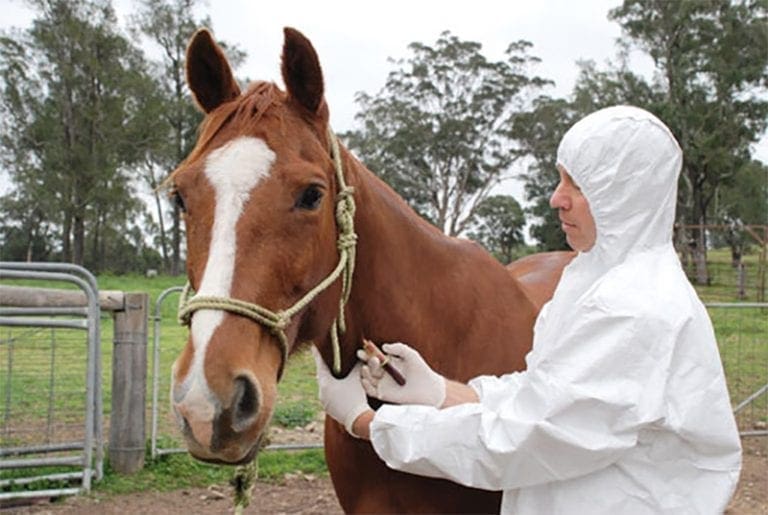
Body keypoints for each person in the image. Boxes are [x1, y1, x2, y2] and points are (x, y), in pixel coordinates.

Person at [312, 105, 742, 514]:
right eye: (560, 179)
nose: (557, 198)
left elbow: (521, 440)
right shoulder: (597, 280)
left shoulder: (632, 311)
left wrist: (365, 423)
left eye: (577, 185)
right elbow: (543, 394)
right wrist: (441, 392)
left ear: (623, 195)